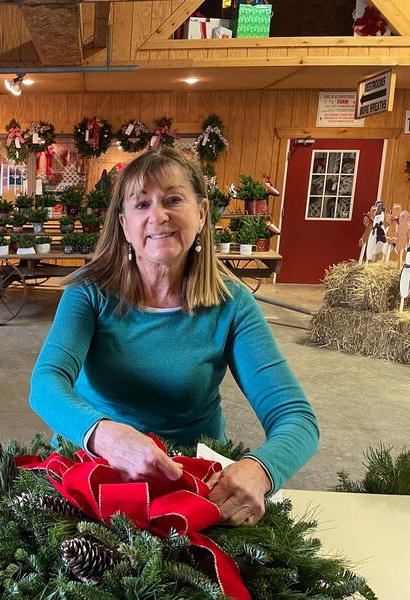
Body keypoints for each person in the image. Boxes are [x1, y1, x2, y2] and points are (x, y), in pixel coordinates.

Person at [29, 147, 319, 526]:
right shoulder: (89, 292)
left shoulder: (232, 305)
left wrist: (260, 470)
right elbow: (46, 383)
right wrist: (105, 436)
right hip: (92, 471)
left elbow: (296, 418)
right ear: (124, 224)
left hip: (190, 485)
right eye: (142, 204)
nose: (158, 215)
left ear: (201, 214)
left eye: (173, 200)